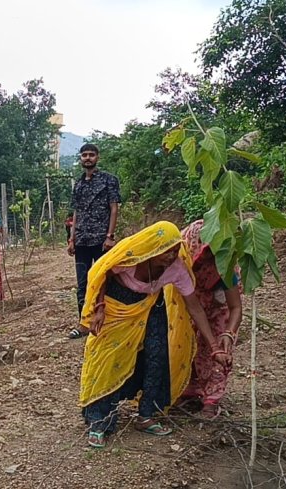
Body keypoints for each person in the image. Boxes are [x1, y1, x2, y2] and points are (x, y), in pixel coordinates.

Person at [78, 221, 231, 448]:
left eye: (175, 250)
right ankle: (99, 420)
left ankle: (147, 414)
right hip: (116, 304)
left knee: (157, 355)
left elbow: (194, 307)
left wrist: (214, 346)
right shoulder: (130, 256)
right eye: (165, 251)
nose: (171, 256)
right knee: (108, 359)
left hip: (151, 306)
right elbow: (101, 272)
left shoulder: (177, 268)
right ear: (152, 249)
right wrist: (98, 307)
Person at [179, 220, 243, 418]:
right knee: (185, 342)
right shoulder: (181, 261)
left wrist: (228, 334)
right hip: (187, 302)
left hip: (217, 305)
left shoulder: (225, 266)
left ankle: (212, 399)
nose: (210, 257)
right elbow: (194, 309)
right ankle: (188, 388)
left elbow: (235, 307)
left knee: (217, 347)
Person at [67, 143, 121, 339]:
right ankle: (83, 324)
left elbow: (114, 208)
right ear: (80, 158)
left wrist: (110, 236)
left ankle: (105, 319)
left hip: (101, 240)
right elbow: (76, 212)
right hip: (81, 240)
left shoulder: (109, 181)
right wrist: (71, 239)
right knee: (82, 283)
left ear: (97, 157)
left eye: (91, 155)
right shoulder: (79, 185)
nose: (87, 158)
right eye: (84, 155)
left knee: (104, 280)